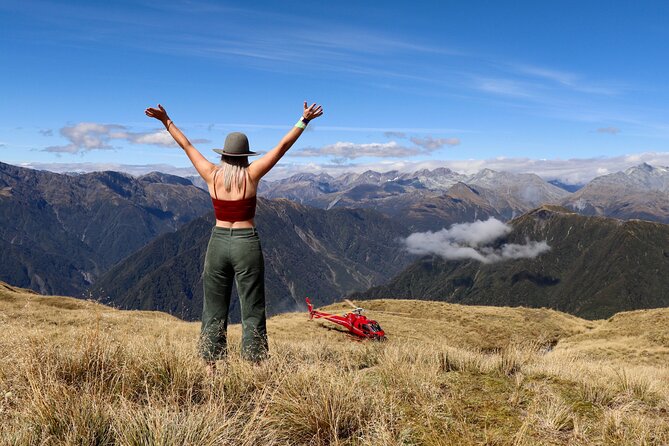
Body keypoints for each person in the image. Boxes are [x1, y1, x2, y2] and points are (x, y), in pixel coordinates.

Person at [144, 101, 324, 371]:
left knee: (213, 307)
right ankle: (255, 364)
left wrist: (166, 120)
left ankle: (210, 364)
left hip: (217, 243)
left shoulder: (211, 175)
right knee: (252, 305)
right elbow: (281, 148)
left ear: (224, 155)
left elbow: (187, 146)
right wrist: (303, 121)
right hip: (246, 243)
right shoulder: (252, 175)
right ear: (245, 156)